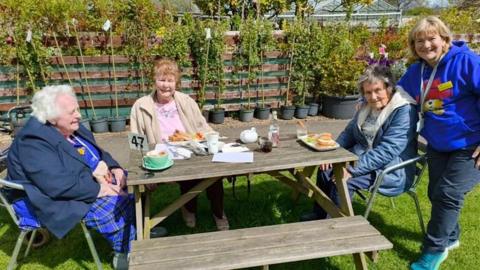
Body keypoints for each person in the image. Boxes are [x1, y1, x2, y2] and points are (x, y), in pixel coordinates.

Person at [5, 85, 135, 269]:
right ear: (51, 117)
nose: (79, 115)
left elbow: (97, 151)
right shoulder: (33, 142)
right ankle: (124, 252)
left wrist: (115, 168)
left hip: (86, 180)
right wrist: (101, 189)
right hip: (53, 197)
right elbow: (56, 184)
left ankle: (138, 235)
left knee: (137, 184)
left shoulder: (69, 126)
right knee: (114, 206)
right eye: (72, 111)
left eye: (78, 109)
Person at [397, 16, 480, 270]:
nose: (426, 45)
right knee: (436, 193)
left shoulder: (467, 62)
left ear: (444, 39)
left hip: (470, 145)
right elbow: (399, 95)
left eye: (431, 38)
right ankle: (451, 237)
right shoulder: (417, 71)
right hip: (438, 145)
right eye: (419, 41)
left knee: (448, 194)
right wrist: (368, 100)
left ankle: (433, 252)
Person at [301, 64, 418, 221]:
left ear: (389, 88)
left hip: (390, 168)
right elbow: (349, 133)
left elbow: (388, 150)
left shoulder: (404, 110)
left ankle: (333, 225)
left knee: (342, 180)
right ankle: (320, 214)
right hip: (363, 158)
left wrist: (352, 169)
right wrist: (332, 155)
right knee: (325, 168)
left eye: (378, 90)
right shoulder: (366, 105)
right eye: (368, 92)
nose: (373, 96)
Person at [130, 58, 229, 230]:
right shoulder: (141, 106)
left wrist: (215, 142)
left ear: (176, 82)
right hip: (161, 158)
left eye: (170, 80)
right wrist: (143, 172)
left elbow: (202, 127)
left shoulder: (186, 101)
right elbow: (136, 142)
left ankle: (218, 213)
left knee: (215, 174)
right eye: (162, 79)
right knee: (184, 178)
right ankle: (187, 209)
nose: (165, 85)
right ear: (154, 80)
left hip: (190, 150)